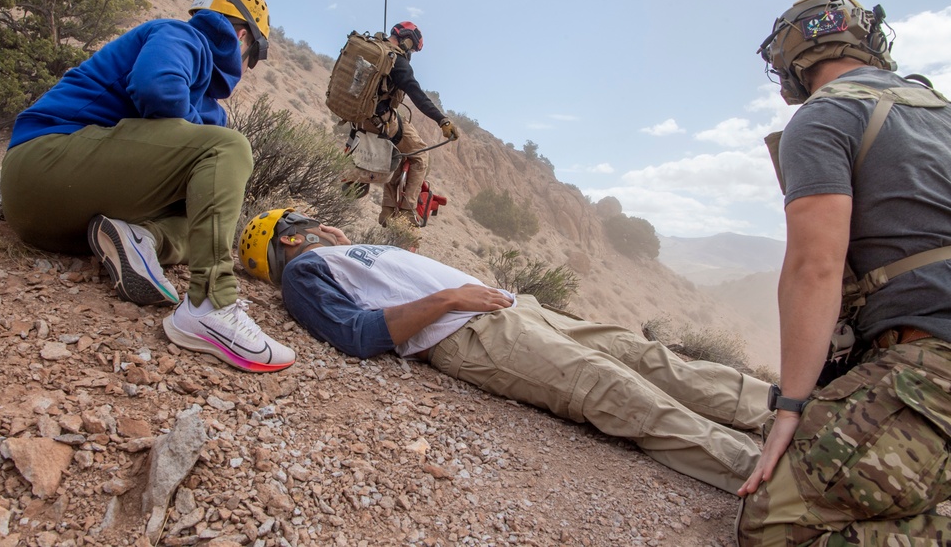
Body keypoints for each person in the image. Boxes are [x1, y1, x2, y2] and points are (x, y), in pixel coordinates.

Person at [237, 208, 773, 494]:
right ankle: (761, 474)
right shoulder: (306, 271)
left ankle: (772, 408)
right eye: (306, 219)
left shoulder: (347, 252)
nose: (323, 221)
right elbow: (357, 335)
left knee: (641, 355)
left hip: (515, 310)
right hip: (473, 334)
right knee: (614, 388)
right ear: (290, 238)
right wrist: (449, 297)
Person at [738, 0, 951, 544]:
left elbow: (815, 268)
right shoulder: (942, 112)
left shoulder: (827, 114)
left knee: (775, 526)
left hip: (932, 369)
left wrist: (790, 409)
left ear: (791, 65)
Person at [0, 0, 295, 373]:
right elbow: (157, 88)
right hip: (43, 162)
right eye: (253, 57)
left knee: (207, 218)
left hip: (54, 223)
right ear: (242, 37)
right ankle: (211, 304)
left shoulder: (210, 107)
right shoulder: (180, 36)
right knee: (229, 147)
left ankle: (142, 239)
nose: (247, 69)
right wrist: (204, 142)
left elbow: (203, 176)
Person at [359, 22, 458, 226]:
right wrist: (443, 120)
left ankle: (387, 210)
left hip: (357, 118)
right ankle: (407, 212)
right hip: (379, 119)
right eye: (412, 48)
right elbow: (418, 96)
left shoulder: (369, 46)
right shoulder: (397, 61)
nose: (411, 52)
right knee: (420, 155)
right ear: (407, 40)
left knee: (398, 151)